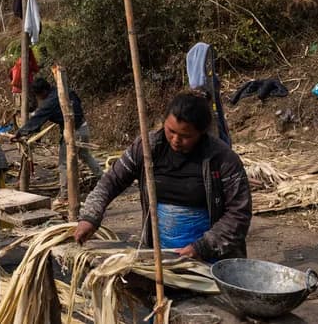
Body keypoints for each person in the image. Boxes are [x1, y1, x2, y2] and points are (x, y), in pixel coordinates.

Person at [74, 92, 252, 262]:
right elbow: (110, 182)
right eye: (171, 131)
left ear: (201, 132)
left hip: (209, 256)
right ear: (164, 122)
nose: (175, 140)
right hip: (160, 254)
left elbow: (239, 213)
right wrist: (90, 217)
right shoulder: (147, 147)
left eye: (185, 136)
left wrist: (203, 247)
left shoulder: (222, 159)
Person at [14, 78, 103, 205]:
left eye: (38, 95)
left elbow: (38, 118)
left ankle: (65, 196)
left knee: (63, 164)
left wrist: (20, 133)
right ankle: (104, 179)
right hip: (83, 127)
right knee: (85, 155)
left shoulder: (50, 101)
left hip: (73, 133)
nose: (38, 98)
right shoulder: (64, 91)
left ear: (43, 92)